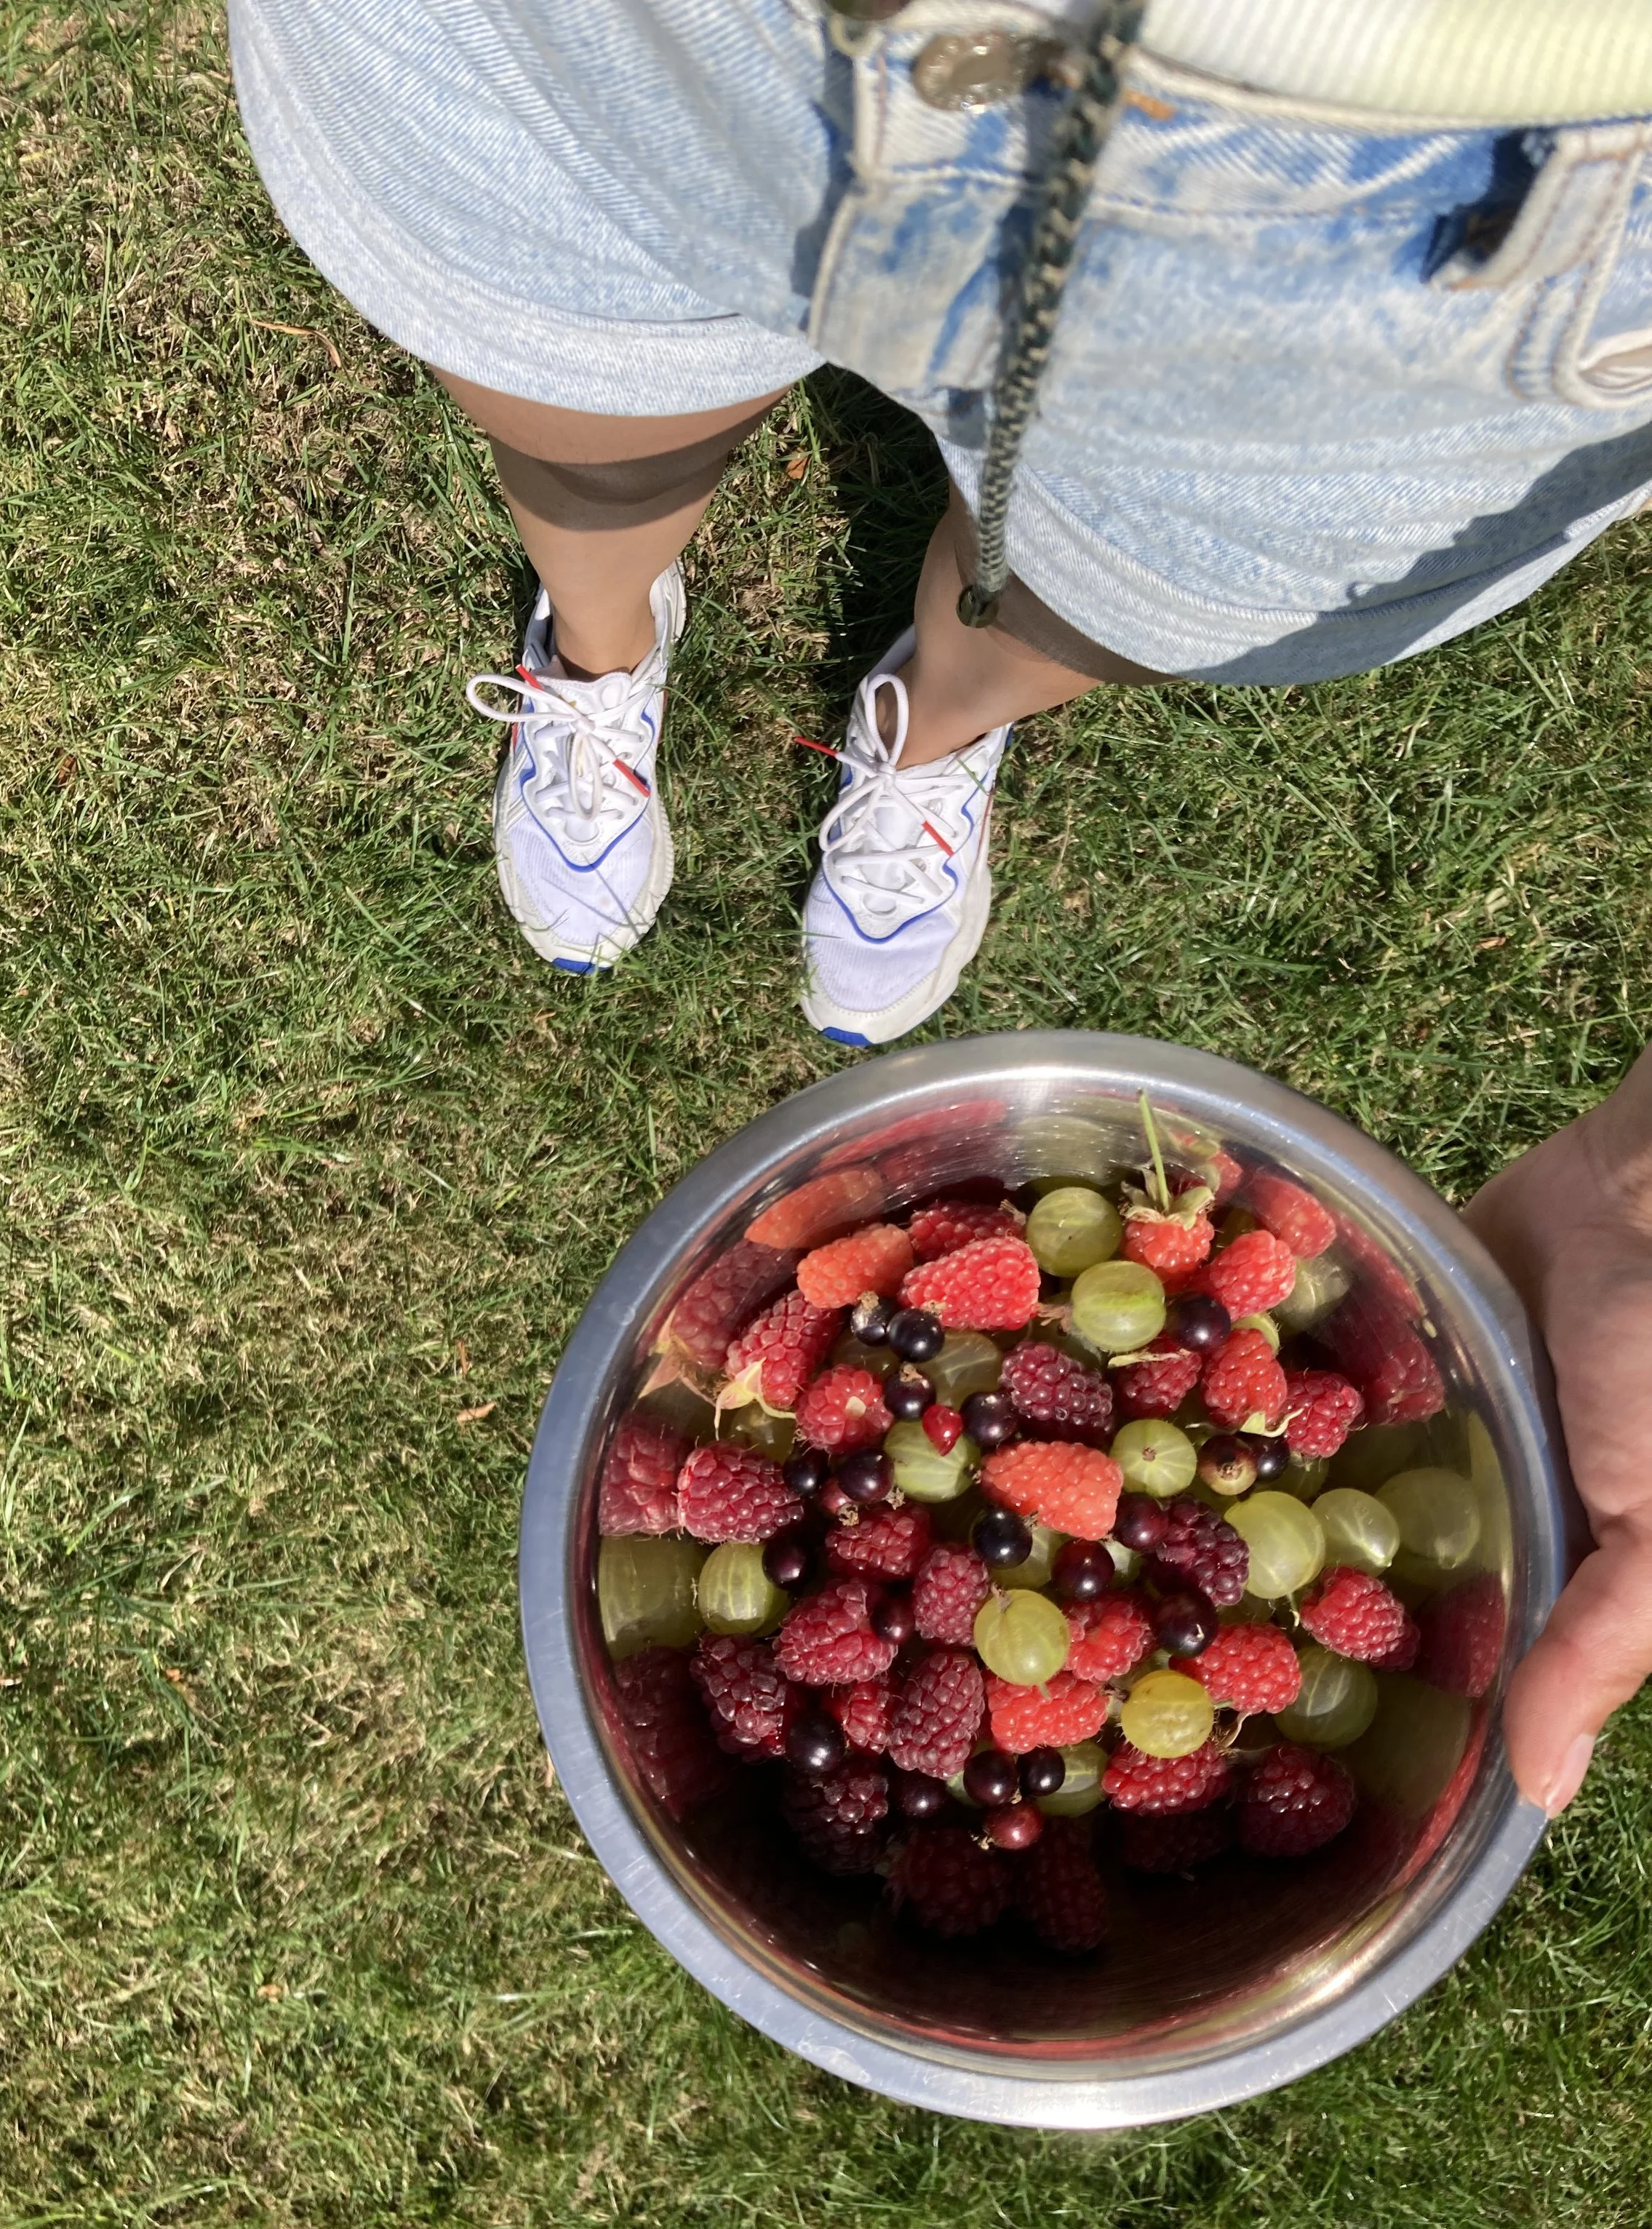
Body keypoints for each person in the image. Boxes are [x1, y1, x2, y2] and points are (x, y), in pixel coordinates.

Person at [226, 0, 1652, 1805]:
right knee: (585, 396)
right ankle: (603, 643)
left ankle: (940, 714)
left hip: (1485, 152)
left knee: (1111, 573)